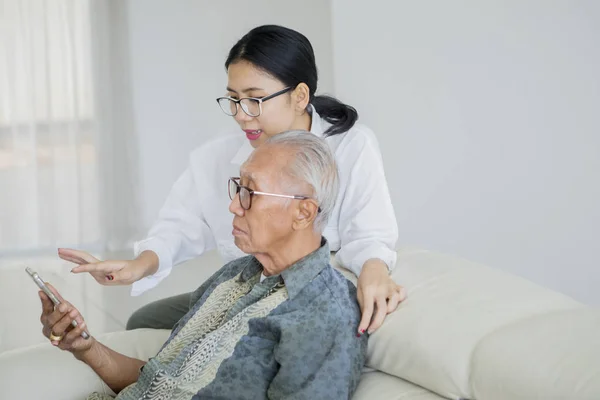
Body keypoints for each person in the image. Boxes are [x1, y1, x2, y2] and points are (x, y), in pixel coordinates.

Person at [58, 24, 404, 335]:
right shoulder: (217, 156)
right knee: (143, 320)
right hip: (245, 289)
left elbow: (370, 233)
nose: (241, 115)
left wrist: (374, 269)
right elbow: (180, 225)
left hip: (304, 297)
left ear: (299, 96)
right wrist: (139, 265)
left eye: (254, 100)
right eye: (234, 99)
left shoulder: (352, 146)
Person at [40, 132, 367, 399]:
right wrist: (84, 346)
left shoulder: (325, 315)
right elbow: (160, 382)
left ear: (304, 213)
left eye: (250, 192)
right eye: (237, 187)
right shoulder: (234, 275)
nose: (233, 205)